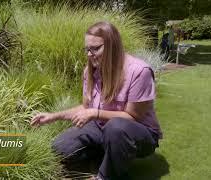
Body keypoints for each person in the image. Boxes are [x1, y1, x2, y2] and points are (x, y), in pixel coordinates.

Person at [30, 21, 162, 180]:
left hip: (138, 133)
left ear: (113, 46)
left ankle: (105, 175)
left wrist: (96, 113)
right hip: (102, 128)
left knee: (116, 128)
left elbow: (133, 117)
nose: (89, 54)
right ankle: (109, 155)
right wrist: (53, 116)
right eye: (87, 49)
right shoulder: (90, 71)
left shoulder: (139, 71)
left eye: (95, 48)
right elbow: (85, 107)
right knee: (59, 148)